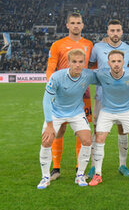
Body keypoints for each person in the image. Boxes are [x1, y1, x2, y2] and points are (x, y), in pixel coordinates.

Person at [37, 49, 98, 189]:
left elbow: (106, 76)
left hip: (77, 112)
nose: (77, 65)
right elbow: (46, 101)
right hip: (56, 113)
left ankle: (80, 175)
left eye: (81, 62)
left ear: (84, 63)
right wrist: (50, 125)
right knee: (46, 141)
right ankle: (45, 177)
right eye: (74, 62)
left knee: (87, 140)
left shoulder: (88, 75)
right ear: (69, 62)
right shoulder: (57, 77)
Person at [46, 12, 93, 181]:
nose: (75, 25)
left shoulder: (89, 44)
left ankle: (79, 169)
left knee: (82, 132)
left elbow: (92, 66)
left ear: (82, 25)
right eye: (72, 23)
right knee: (59, 130)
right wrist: (50, 86)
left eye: (78, 22)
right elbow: (51, 66)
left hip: (83, 93)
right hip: (61, 93)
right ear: (67, 25)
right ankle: (56, 168)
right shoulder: (58, 44)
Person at [88, 50, 129, 186]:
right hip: (107, 111)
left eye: (119, 61)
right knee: (100, 138)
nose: (116, 64)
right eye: (113, 61)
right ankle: (98, 174)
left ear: (123, 62)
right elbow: (86, 75)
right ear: (108, 63)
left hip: (127, 111)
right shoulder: (102, 73)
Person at [88, 19, 129, 177]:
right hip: (101, 98)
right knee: (98, 131)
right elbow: (90, 67)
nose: (115, 33)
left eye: (118, 30)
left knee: (123, 130)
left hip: (123, 99)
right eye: (112, 31)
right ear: (107, 32)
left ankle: (123, 165)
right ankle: (94, 166)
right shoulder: (98, 47)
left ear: (122, 32)